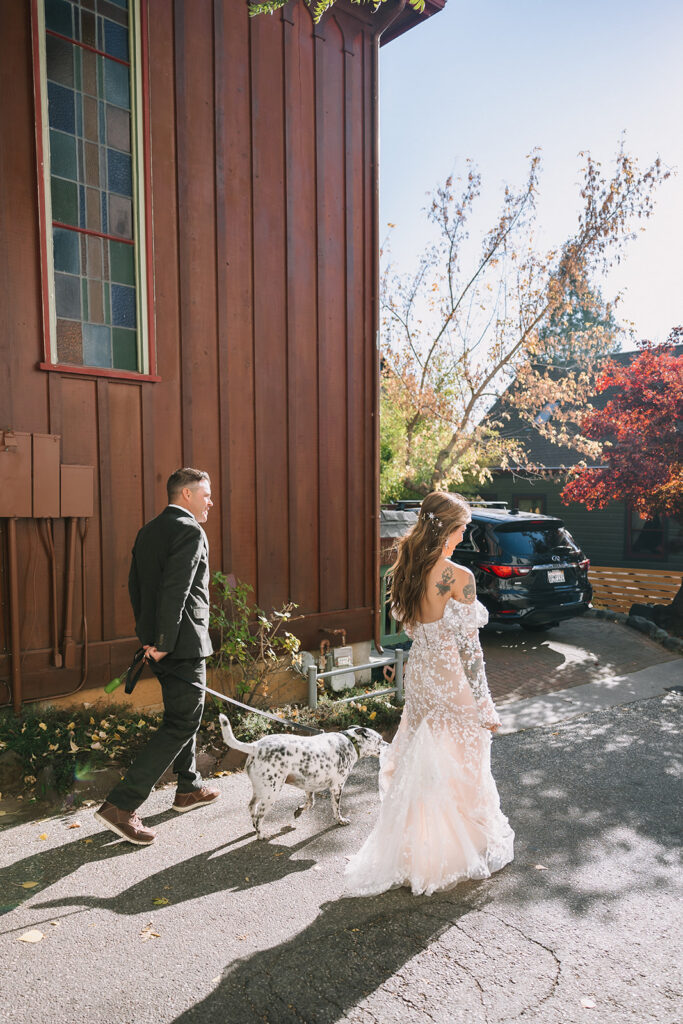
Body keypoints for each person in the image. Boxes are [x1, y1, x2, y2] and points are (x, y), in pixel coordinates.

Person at [344, 491, 514, 896]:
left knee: (423, 757)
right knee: (462, 756)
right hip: (450, 676)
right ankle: (453, 850)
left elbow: (412, 631)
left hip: (421, 674)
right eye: (462, 527)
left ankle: (414, 850)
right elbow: (470, 652)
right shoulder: (459, 577)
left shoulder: (405, 571)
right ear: (449, 529)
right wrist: (484, 702)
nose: (464, 534)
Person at [95, 468, 220, 845]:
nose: (210, 502)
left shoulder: (148, 531)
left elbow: (136, 588)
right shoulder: (190, 530)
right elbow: (175, 589)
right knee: (182, 722)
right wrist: (164, 641)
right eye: (205, 495)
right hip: (180, 647)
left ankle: (189, 787)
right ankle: (121, 805)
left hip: (161, 646)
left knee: (183, 716)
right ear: (185, 494)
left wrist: (150, 640)